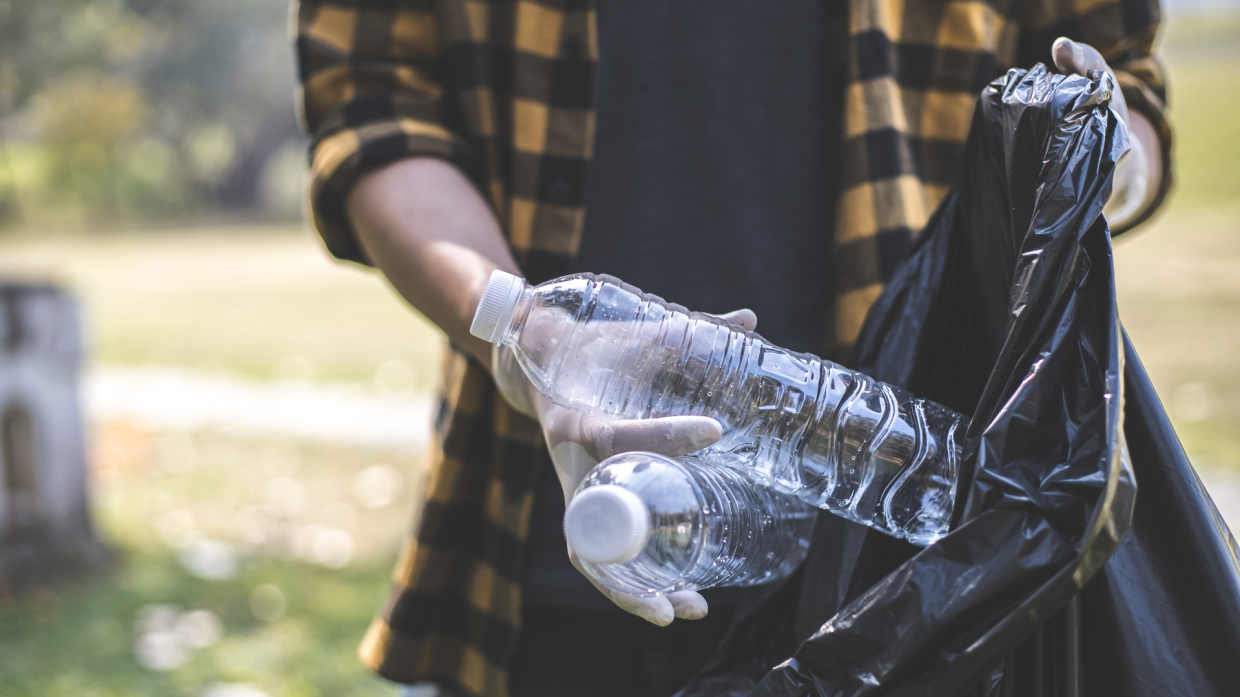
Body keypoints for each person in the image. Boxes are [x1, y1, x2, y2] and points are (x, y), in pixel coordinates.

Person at [294, 1, 1170, 695]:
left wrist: (1101, 160)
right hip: (539, 540)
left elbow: (1123, 71)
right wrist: (525, 334)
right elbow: (373, 104)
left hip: (921, 564)